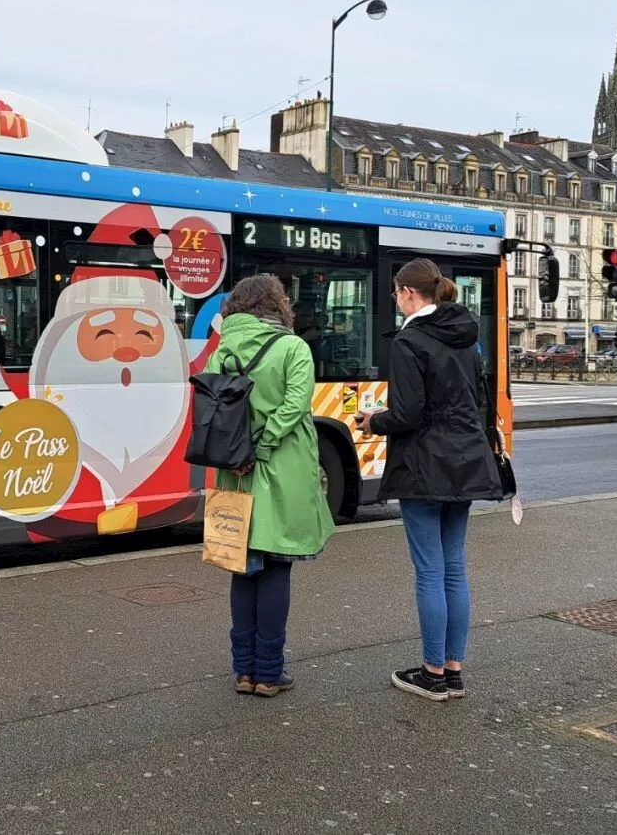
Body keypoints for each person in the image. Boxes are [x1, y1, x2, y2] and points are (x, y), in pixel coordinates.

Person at [359, 258, 502, 702]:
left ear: (406, 292)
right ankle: (454, 670)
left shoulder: (410, 341)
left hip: (424, 465)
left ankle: (432, 672)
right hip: (466, 461)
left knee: (430, 571)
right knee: (455, 568)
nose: (395, 299)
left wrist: (372, 422)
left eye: (395, 292)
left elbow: (408, 413)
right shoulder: (465, 336)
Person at [208, 274, 336, 698]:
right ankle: (268, 671)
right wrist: (261, 447)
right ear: (277, 305)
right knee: (277, 565)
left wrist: (241, 451)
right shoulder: (293, 348)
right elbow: (296, 406)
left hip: (233, 470)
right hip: (281, 470)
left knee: (242, 567)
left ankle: (242, 670)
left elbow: (210, 406)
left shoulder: (222, 349)